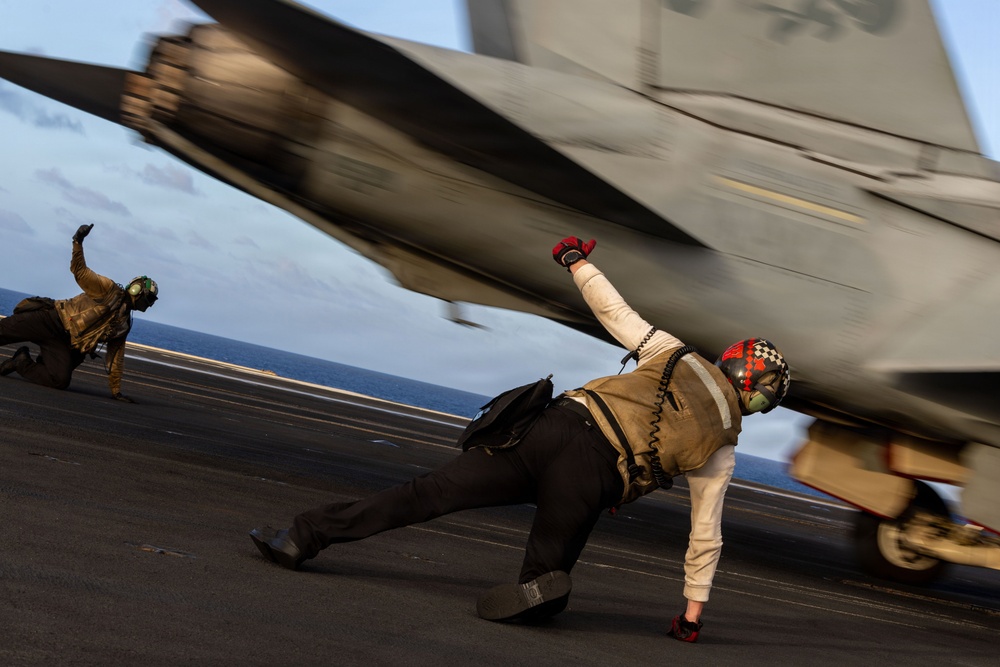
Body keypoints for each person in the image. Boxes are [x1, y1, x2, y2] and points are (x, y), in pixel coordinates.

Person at [249, 236, 789, 642]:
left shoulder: (671, 350)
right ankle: (542, 593)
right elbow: (705, 537)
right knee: (545, 575)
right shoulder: (721, 447)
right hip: (590, 478)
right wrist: (692, 614)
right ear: (756, 397)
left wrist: (576, 260)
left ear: (732, 359)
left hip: (550, 429)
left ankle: (303, 537)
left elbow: (613, 311)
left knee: (427, 493)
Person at [0, 224, 158, 402]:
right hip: (50, 319)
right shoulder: (108, 289)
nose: (149, 305)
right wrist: (78, 241)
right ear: (137, 291)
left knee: (59, 380)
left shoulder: (123, 325)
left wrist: (116, 391)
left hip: (63, 341)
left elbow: (115, 358)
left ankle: (21, 362)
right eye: (149, 299)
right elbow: (80, 271)